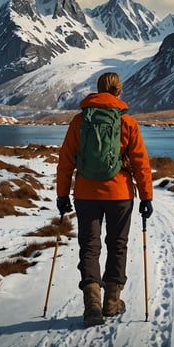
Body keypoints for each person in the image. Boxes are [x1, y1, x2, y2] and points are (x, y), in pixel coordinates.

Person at [56, 72, 153, 326]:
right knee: (117, 245)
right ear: (119, 92)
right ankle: (111, 302)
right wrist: (146, 197)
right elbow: (141, 163)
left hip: (86, 194)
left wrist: (62, 194)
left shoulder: (79, 121)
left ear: (97, 90)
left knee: (89, 247)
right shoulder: (127, 122)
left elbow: (66, 160)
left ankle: (92, 307)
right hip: (120, 194)